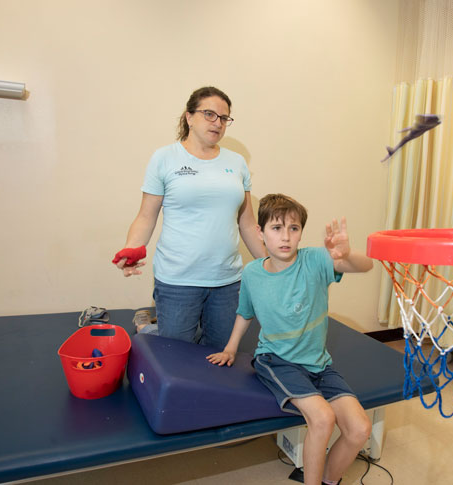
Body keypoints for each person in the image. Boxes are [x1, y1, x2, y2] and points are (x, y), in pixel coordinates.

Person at [207, 194, 373, 485]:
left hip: (319, 364)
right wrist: (230, 348)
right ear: (260, 232)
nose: (285, 236)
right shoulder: (252, 273)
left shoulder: (317, 260)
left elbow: (365, 266)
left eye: (293, 229)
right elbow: (244, 313)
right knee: (322, 418)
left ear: (301, 233)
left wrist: (345, 255)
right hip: (277, 360)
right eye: (276, 228)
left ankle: (328, 480)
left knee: (359, 429)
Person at [112, 86, 265, 349]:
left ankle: (151, 327)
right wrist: (132, 248)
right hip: (177, 279)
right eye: (209, 114)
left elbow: (247, 223)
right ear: (189, 117)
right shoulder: (165, 158)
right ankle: (147, 328)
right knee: (176, 353)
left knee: (218, 353)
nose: (217, 123)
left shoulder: (237, 163)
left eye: (224, 118)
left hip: (226, 280)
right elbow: (146, 216)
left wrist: (272, 265)